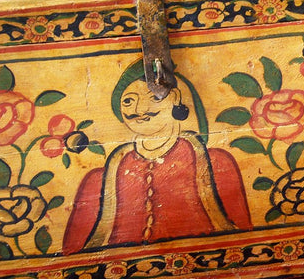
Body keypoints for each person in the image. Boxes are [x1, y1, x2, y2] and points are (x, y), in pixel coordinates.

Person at [62, 61, 251, 251]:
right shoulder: (97, 180)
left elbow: (247, 242)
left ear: (175, 97)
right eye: (128, 101)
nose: (138, 109)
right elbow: (71, 255)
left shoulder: (217, 163)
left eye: (153, 96)